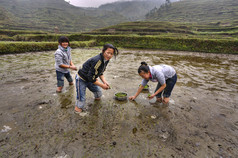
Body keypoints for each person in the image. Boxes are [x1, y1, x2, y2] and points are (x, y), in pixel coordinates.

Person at [75, 44, 119, 113]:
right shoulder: (97, 61)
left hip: (91, 78)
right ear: (103, 51)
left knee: (98, 94)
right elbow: (91, 78)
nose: (109, 55)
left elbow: (100, 72)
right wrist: (102, 85)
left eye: (111, 54)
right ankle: (78, 111)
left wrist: (105, 81)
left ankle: (95, 104)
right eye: (108, 53)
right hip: (82, 79)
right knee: (81, 98)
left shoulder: (106, 60)